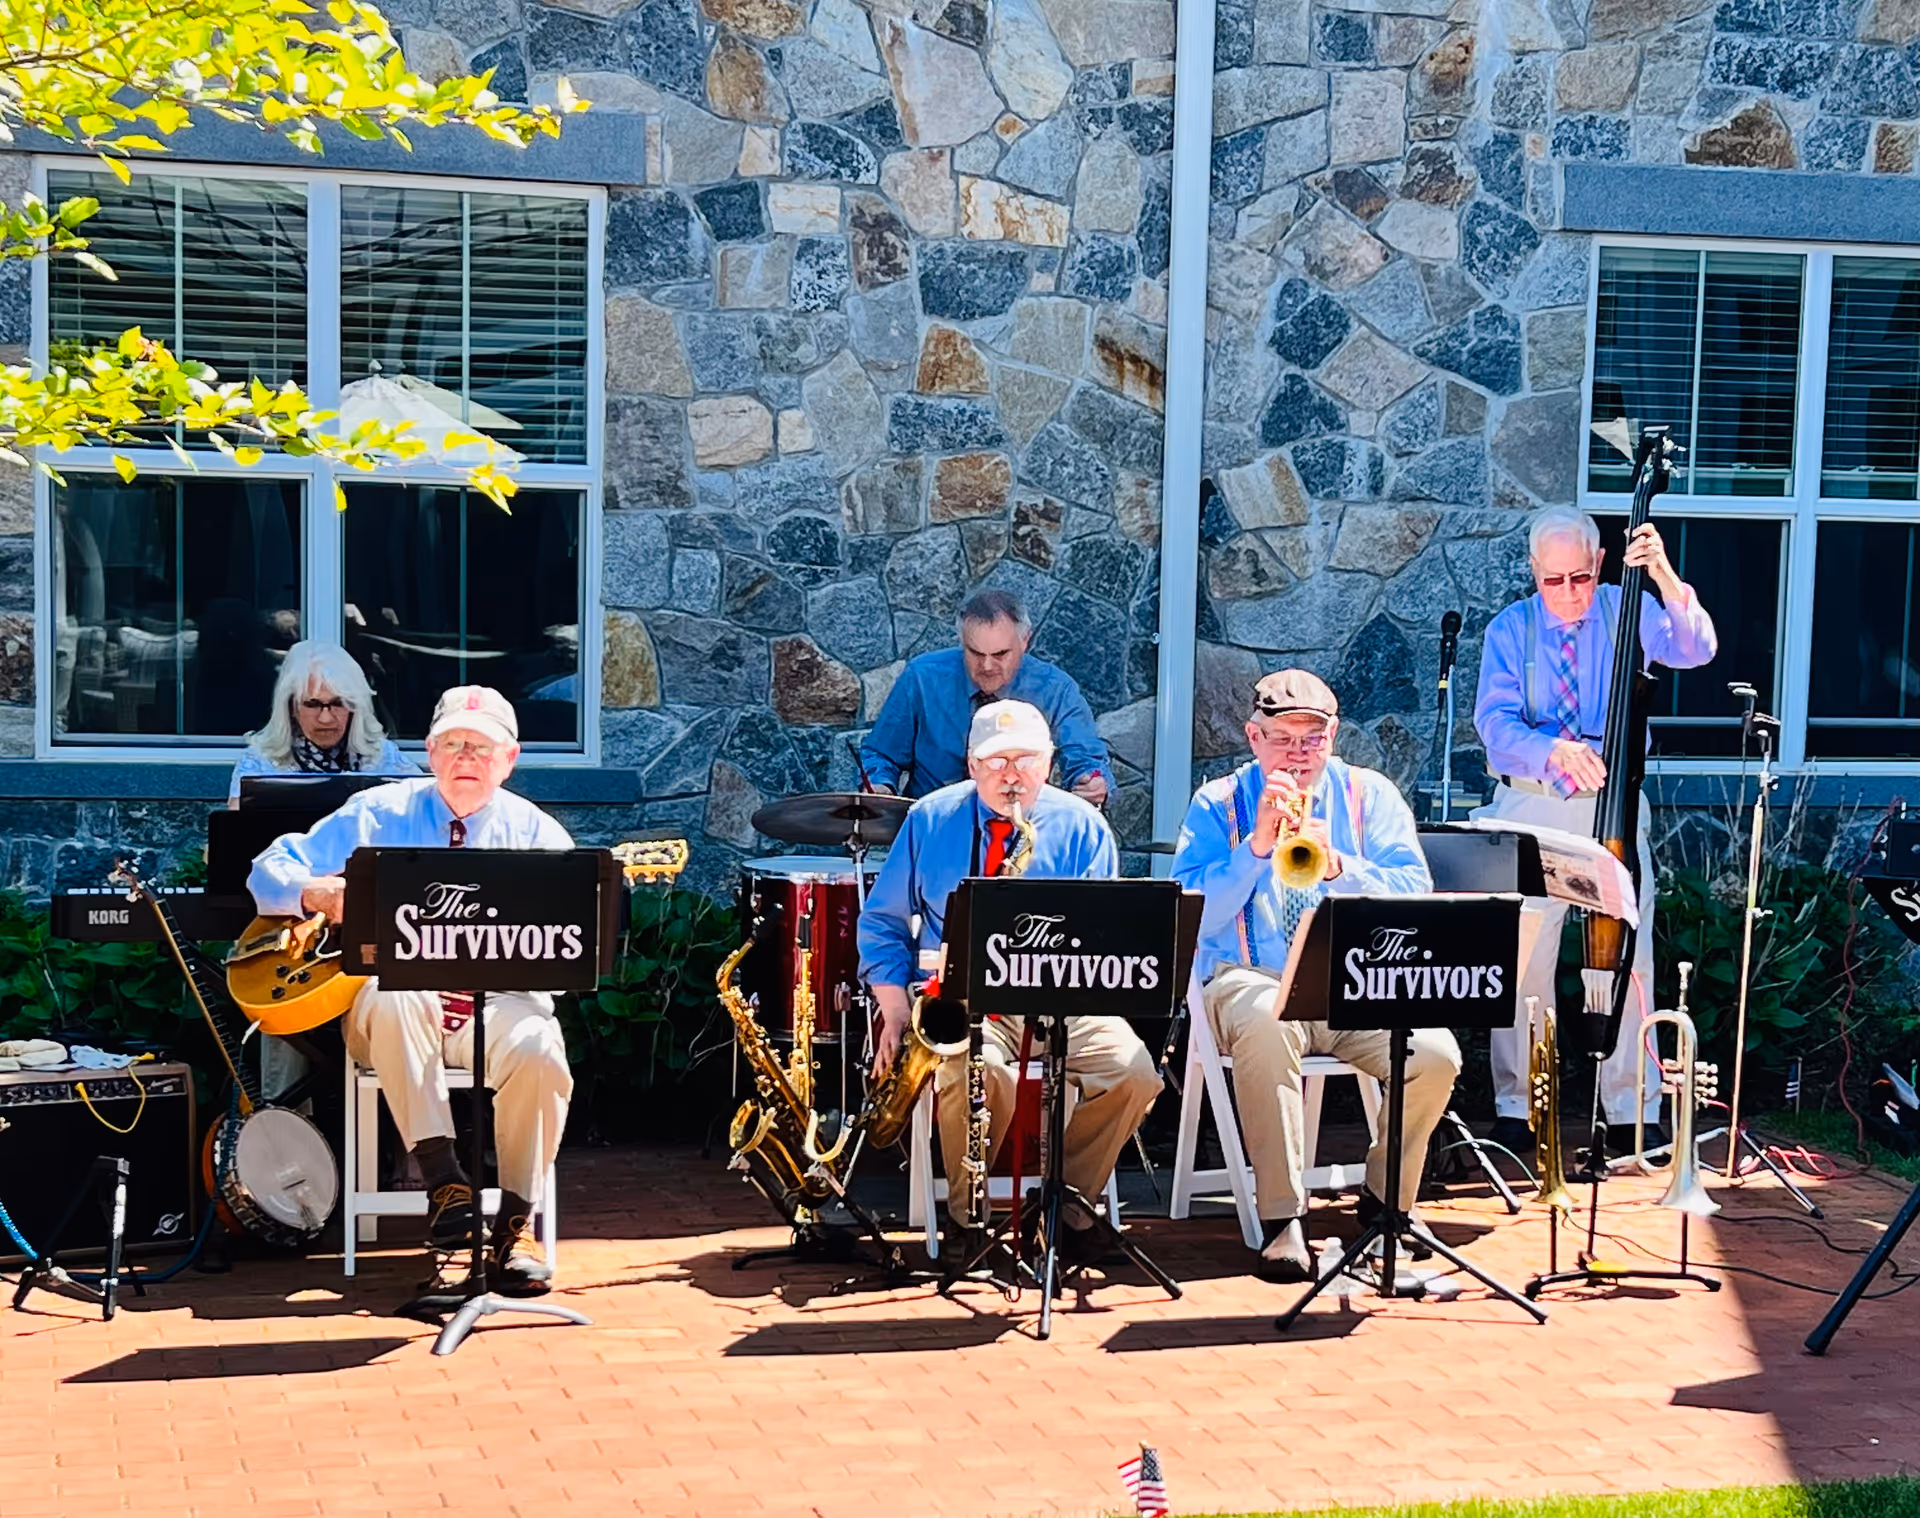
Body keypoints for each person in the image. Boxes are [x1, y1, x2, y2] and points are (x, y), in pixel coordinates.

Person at [248, 686, 574, 1295]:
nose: (466, 758)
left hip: (494, 1007)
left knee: (541, 1050)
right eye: (453, 744)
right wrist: (315, 893)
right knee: (400, 992)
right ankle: (442, 1178)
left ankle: (515, 1225)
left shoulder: (540, 835)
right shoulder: (376, 813)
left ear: (510, 758)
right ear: (429, 752)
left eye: (481, 747)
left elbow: (563, 956)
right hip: (394, 1011)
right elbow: (269, 867)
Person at [1171, 670, 1455, 1283]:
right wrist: (1254, 849)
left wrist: (1340, 868)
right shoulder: (1216, 803)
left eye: (1314, 739)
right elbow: (1189, 913)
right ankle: (1282, 1219)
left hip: (1354, 980)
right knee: (1269, 1024)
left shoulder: (1370, 795)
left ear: (1332, 737)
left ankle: (1387, 1202)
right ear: (1254, 736)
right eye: (1283, 738)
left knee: (1436, 1051)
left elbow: (1414, 891)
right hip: (1250, 975)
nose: (1299, 754)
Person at [859, 699, 1160, 1256]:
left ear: (1048, 763)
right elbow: (881, 921)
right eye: (996, 761)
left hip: (1065, 999)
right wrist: (894, 1008)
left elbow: (1104, 938)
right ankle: (966, 1222)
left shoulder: (1083, 827)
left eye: (1024, 759)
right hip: (963, 1000)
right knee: (975, 1073)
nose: (1011, 775)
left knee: (1134, 1072)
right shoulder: (930, 818)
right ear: (971, 766)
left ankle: (1067, 1204)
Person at [1474, 505, 1718, 1157]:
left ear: (1600, 564)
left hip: (1612, 804)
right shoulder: (1509, 629)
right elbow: (1496, 726)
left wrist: (1662, 572)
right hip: (1532, 802)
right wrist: (1551, 749)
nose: (1569, 594)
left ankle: (1632, 1105)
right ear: (1534, 572)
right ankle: (1517, 1106)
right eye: (1553, 581)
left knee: (1624, 956)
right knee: (1523, 957)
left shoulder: (1625, 605)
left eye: (1579, 577)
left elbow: (1696, 648)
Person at [860, 589, 1112, 804]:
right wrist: (880, 785)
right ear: (962, 641)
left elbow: (1086, 757)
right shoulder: (922, 678)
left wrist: (1092, 782)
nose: (988, 666)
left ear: (1025, 641)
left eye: (1000, 654)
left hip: (1017, 836)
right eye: (976, 653)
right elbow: (882, 753)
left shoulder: (1055, 690)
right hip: (931, 830)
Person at [228, 640, 418, 807]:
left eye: (338, 703)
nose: (325, 718)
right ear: (291, 708)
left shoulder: (383, 757)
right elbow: (234, 837)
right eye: (312, 704)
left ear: (355, 707)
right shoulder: (260, 761)